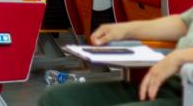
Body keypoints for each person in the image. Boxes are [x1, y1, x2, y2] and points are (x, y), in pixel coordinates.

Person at [38, 8, 193, 106]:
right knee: (55, 99)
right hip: (169, 84)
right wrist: (125, 30)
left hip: (187, 93)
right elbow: (184, 23)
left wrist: (180, 57)